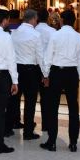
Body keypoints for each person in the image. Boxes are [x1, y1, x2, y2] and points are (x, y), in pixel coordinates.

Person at [42, 9, 80, 152]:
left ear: (61, 21)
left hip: (57, 72)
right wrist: (78, 76)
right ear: (74, 22)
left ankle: (52, 142)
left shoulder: (55, 35)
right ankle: (73, 143)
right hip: (72, 72)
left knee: (52, 108)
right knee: (73, 108)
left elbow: (48, 57)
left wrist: (46, 75)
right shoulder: (79, 37)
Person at [10, 9, 47, 140]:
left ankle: (11, 125)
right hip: (31, 71)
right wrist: (45, 74)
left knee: (14, 99)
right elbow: (40, 57)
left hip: (17, 69)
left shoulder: (14, 33)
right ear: (32, 19)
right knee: (30, 102)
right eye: (36, 19)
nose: (36, 21)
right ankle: (28, 131)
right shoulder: (36, 35)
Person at [0, 8, 19, 153]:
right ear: (5, 20)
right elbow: (11, 59)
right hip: (2, 76)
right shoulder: (6, 36)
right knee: (1, 111)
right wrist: (15, 81)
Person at [35, 9, 56, 131]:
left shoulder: (33, 30)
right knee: (47, 97)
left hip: (35, 67)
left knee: (31, 98)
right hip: (48, 67)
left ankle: (29, 123)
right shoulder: (53, 31)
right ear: (48, 17)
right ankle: (46, 124)